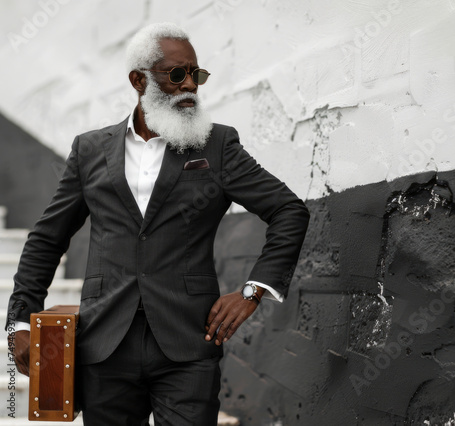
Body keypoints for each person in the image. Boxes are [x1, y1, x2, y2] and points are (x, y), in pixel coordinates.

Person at [6, 22, 309, 426]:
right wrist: (21, 320)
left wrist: (254, 290)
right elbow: (48, 237)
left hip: (188, 346)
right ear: (138, 79)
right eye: (177, 75)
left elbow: (288, 209)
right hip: (104, 347)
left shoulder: (217, 145)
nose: (191, 87)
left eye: (196, 75)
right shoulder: (90, 150)